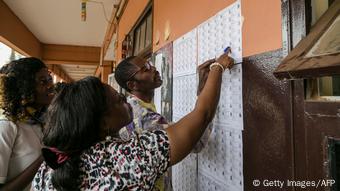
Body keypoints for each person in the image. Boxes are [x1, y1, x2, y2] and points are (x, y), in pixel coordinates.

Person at [32, 52, 234, 190]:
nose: (126, 103)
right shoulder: (127, 156)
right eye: (120, 100)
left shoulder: (47, 170)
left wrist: (202, 89)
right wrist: (217, 67)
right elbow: (198, 126)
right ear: (102, 124)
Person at [115, 56, 171, 191]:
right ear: (133, 85)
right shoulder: (144, 117)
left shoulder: (131, 106)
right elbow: (196, 143)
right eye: (146, 69)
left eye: (150, 64)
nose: (154, 69)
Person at [0, 57, 54, 191]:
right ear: (24, 88)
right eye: (43, 81)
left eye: (49, 79)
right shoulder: (8, 126)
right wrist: (43, 159)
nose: (50, 85)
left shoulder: (41, 120)